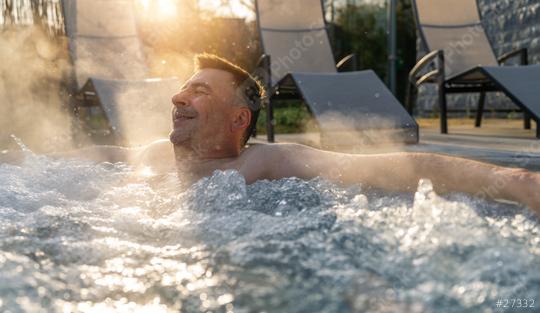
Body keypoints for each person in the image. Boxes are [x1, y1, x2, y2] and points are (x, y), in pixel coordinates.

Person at [3, 54, 540, 214]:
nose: (177, 99)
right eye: (181, 90)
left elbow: (401, 167)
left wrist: (515, 181)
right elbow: (87, 156)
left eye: (199, 92)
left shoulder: (266, 164)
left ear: (240, 122)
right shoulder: (147, 157)